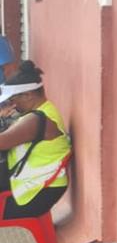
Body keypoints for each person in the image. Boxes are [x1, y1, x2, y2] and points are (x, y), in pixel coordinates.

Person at [0, 60, 70, 219]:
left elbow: (2, 142)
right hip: (37, 187)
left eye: (11, 100)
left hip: (37, 192)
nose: (11, 106)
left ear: (27, 95)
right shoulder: (41, 111)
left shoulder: (36, 119)